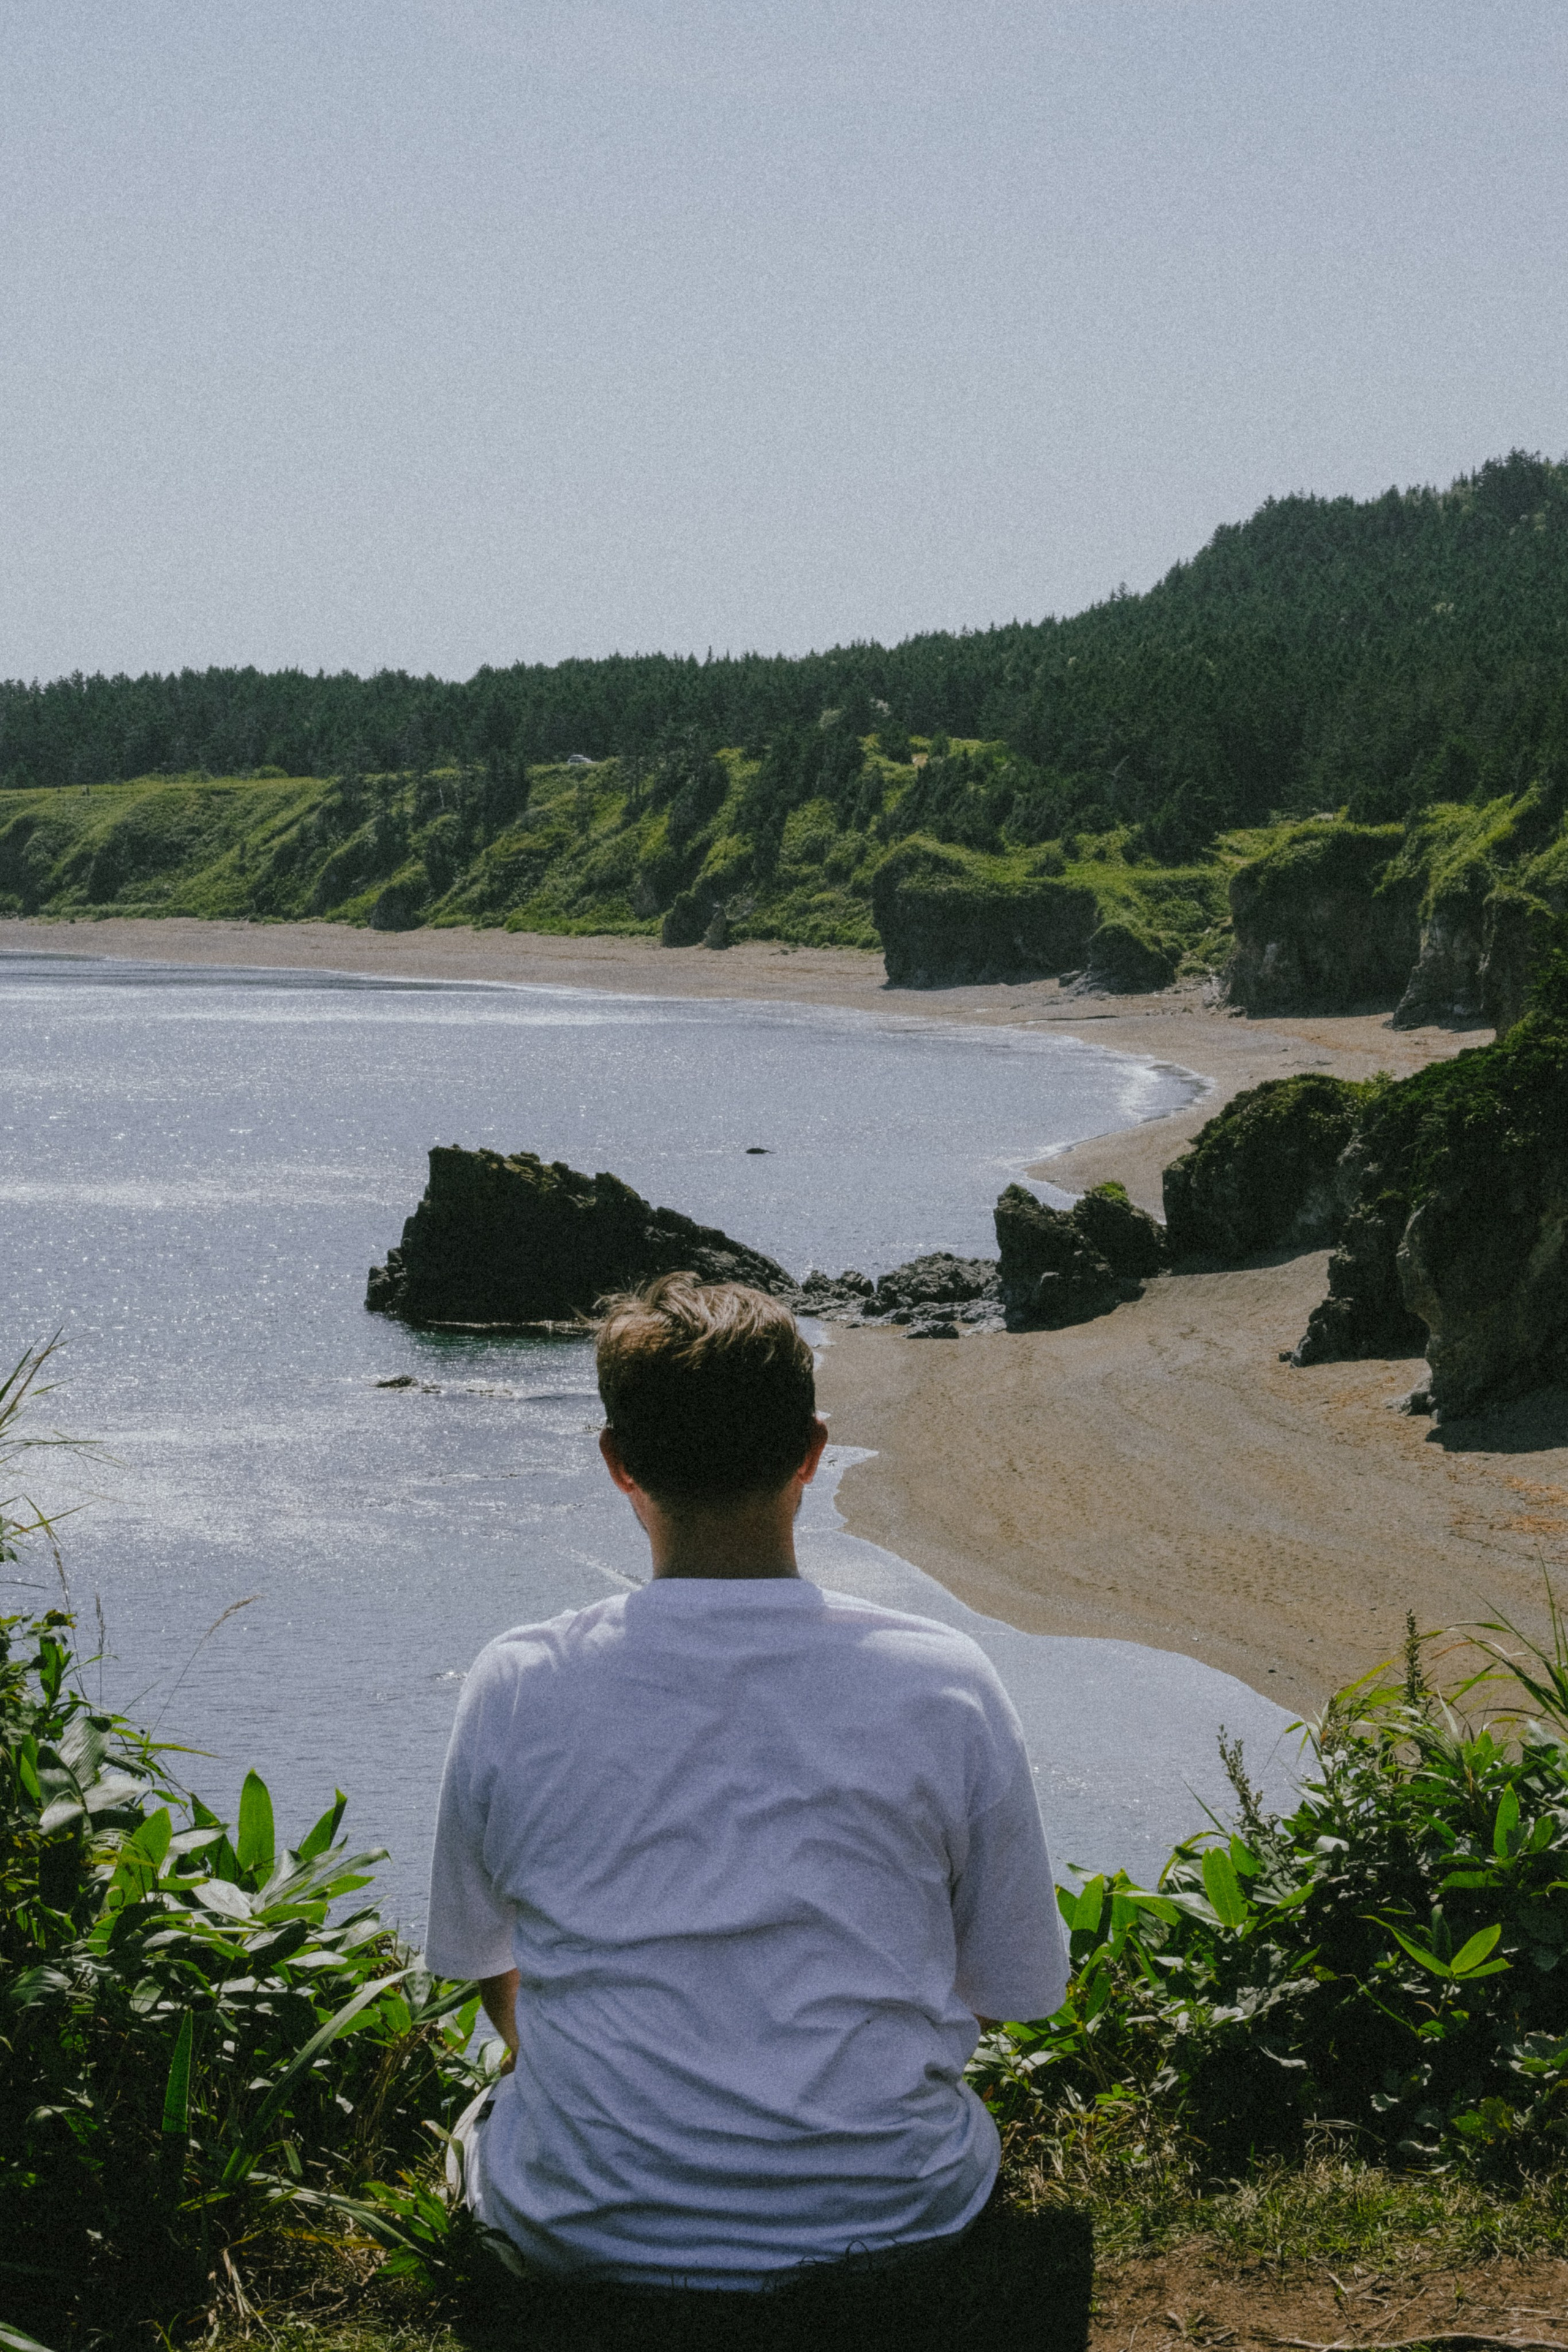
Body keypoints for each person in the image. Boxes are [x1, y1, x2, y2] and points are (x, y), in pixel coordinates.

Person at [424, 1273, 1066, 2291]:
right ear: (813, 1451)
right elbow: (1016, 1986)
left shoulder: (518, 1682)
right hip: (898, 2214)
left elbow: (478, 1959)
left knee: (483, 2121)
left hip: (581, 2227)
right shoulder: (942, 1679)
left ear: (616, 1462)